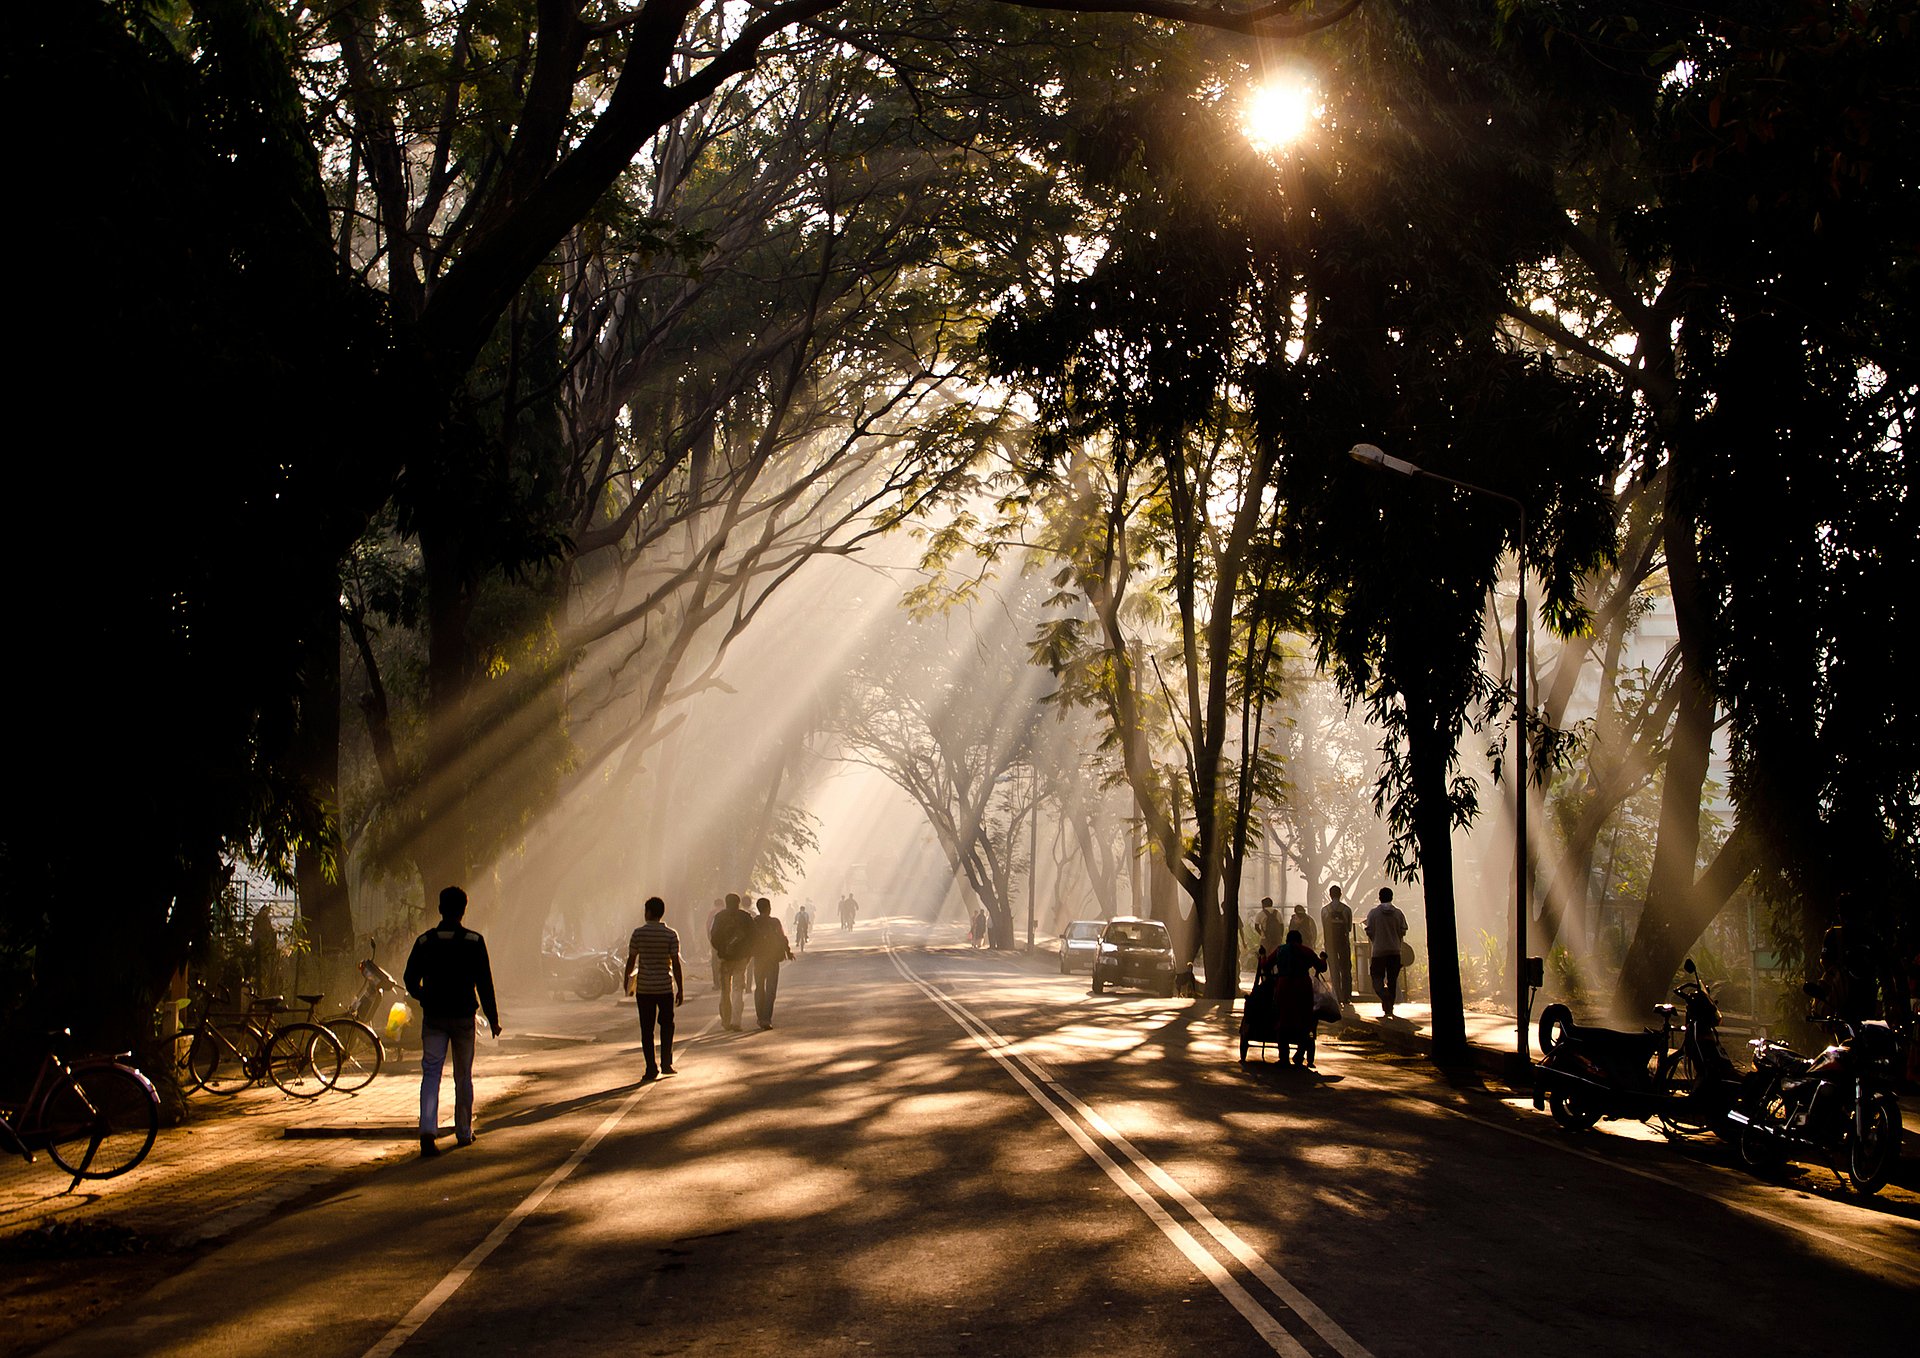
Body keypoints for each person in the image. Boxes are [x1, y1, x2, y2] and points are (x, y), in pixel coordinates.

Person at [404, 886, 502, 1157]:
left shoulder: (425, 942)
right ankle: (462, 1132)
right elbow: (485, 983)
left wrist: (424, 996)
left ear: (440, 909)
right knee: (463, 1076)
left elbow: (409, 978)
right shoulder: (473, 941)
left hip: (434, 1017)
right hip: (463, 1018)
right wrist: (493, 1019)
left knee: (431, 1073)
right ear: (463, 911)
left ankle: (427, 1131)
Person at [624, 896, 684, 1080]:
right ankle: (666, 1063)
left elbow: (632, 959)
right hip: (665, 987)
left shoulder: (638, 934)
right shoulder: (671, 934)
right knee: (667, 1026)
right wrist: (680, 988)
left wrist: (626, 981)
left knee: (647, 1029)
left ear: (648, 912)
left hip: (645, 989)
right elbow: (675, 963)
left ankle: (651, 1068)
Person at [1270, 929, 1328, 1067]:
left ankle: (1283, 1056)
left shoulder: (1280, 950)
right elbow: (1321, 967)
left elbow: (1265, 966)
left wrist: (1262, 958)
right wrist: (1323, 959)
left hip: (1283, 987)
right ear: (1300, 940)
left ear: (1287, 940)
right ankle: (1300, 1054)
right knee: (1304, 1021)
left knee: (1283, 1019)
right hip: (1303, 987)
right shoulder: (1306, 951)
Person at [709, 893, 755, 1031]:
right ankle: (736, 1021)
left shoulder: (719, 917)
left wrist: (720, 952)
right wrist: (748, 954)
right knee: (737, 989)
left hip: (724, 959)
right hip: (741, 959)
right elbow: (754, 936)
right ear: (738, 903)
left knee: (725, 990)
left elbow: (714, 937)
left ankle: (726, 1021)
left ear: (726, 902)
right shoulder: (745, 917)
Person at [748, 897, 794, 1029]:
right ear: (769, 908)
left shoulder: (753, 922)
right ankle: (766, 1019)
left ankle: (760, 1017)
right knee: (771, 989)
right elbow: (782, 937)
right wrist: (788, 952)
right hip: (773, 959)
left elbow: (749, 940)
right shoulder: (775, 922)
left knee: (759, 988)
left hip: (759, 959)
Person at [1364, 887, 1410, 1020]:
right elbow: (1403, 930)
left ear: (1379, 897)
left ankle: (1385, 997)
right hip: (1395, 951)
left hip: (1378, 951)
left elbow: (1369, 931)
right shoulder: (1398, 913)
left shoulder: (1373, 913)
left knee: (1376, 977)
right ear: (1392, 897)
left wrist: (1376, 940)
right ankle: (1389, 1005)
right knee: (1392, 980)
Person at [1321, 886, 1354, 1002]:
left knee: (1334, 969)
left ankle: (1337, 995)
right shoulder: (1346, 909)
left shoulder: (1325, 910)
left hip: (1330, 943)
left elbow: (1324, 927)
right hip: (1343, 943)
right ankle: (1347, 996)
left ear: (1330, 895)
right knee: (1345, 969)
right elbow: (1349, 928)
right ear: (1340, 894)